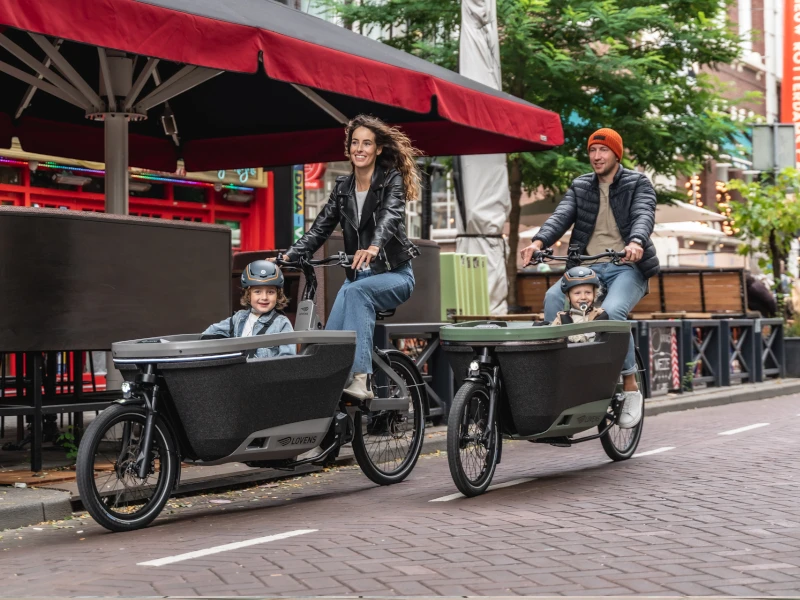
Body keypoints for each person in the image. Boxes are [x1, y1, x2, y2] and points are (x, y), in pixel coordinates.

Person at [520, 128, 659, 429]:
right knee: (553, 298)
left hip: (626, 266)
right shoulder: (581, 185)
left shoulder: (638, 183)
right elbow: (560, 216)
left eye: (603, 150)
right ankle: (562, 375)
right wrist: (538, 243)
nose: (596, 156)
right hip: (588, 269)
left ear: (616, 154)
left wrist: (636, 242)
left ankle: (630, 386)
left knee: (613, 312)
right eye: (592, 151)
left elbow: (643, 215)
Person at [281, 115, 420, 400]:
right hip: (358, 278)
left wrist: (373, 247)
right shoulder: (343, 188)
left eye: (367, 143)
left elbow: (390, 216)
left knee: (357, 293)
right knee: (330, 346)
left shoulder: (390, 180)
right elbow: (319, 229)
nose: (360, 148)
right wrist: (287, 256)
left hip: (395, 274)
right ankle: (325, 410)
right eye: (355, 142)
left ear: (378, 149)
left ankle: (361, 380)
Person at [201, 261, 296, 358]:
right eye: (257, 292)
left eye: (270, 292)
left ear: (278, 295)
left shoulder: (282, 324)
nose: (264, 297)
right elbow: (209, 334)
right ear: (248, 295)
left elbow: (287, 360)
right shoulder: (239, 318)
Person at [551, 266, 608, 343]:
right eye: (577, 293)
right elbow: (552, 339)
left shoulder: (599, 315)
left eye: (588, 292)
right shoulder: (562, 318)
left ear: (595, 294)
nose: (583, 297)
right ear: (568, 297)